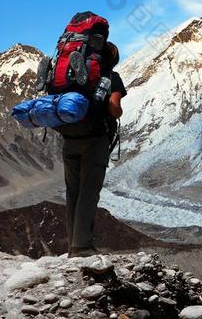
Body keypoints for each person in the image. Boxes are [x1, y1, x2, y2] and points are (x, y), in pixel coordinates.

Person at [61, 41, 126, 257]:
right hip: (95, 140)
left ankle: (73, 245)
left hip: (69, 138)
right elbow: (114, 108)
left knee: (73, 192)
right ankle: (82, 247)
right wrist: (116, 110)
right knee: (88, 192)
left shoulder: (74, 77)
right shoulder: (111, 77)